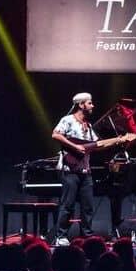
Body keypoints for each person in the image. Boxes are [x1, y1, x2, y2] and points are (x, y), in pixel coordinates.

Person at [52, 92, 101, 238]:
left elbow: (96, 145)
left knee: (88, 206)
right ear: (81, 105)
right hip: (69, 170)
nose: (93, 105)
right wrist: (74, 146)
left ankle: (86, 236)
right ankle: (61, 236)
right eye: (90, 103)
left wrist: (119, 141)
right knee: (68, 205)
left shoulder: (88, 125)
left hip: (85, 171)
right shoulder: (67, 120)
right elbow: (55, 134)